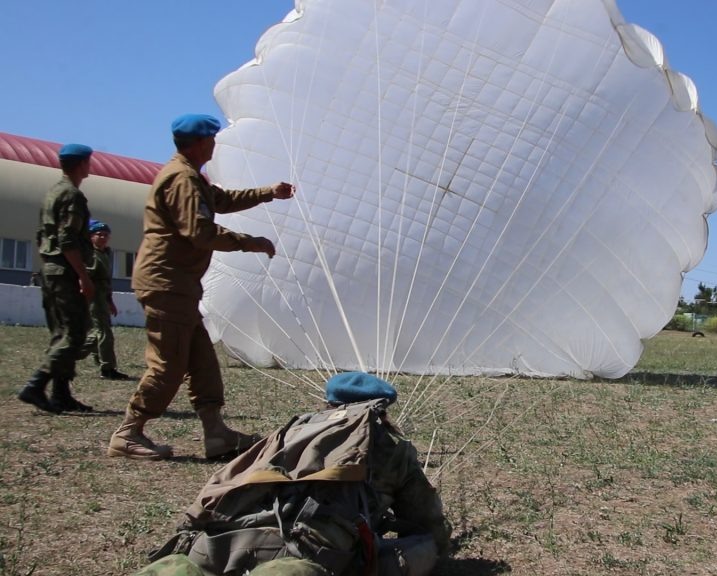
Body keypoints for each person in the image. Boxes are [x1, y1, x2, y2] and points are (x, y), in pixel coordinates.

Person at [107, 114, 294, 461]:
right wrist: (248, 242)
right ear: (198, 143)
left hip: (179, 285)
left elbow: (222, 200)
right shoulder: (181, 179)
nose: (215, 145)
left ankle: (216, 433)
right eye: (211, 139)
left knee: (202, 361)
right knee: (169, 364)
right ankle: (128, 432)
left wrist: (269, 192)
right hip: (166, 282)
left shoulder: (192, 178)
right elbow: (199, 232)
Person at [135, 372, 451, 576]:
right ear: (381, 409)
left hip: (217, 543)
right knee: (420, 548)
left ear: (329, 403)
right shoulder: (388, 445)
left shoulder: (290, 433)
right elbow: (423, 516)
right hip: (302, 552)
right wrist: (437, 546)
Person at [17, 143, 96, 414]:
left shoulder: (52, 193)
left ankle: (61, 394)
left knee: (61, 332)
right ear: (82, 164)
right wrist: (83, 276)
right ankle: (36, 385)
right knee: (74, 333)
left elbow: (44, 235)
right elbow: (67, 240)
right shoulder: (72, 195)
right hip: (65, 271)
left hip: (51, 269)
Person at [80, 219, 133, 380]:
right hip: (93, 296)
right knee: (104, 333)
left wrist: (110, 301)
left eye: (105, 235)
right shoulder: (89, 254)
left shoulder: (104, 254)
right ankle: (107, 368)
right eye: (99, 234)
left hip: (102, 297)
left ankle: (69, 353)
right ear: (91, 236)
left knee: (100, 332)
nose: (103, 237)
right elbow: (84, 276)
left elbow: (106, 281)